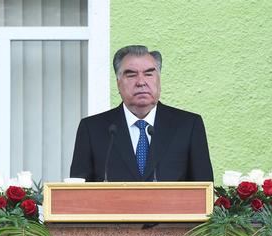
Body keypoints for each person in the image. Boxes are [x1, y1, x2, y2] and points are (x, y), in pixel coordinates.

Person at [69, 45, 213, 182]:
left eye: (149, 74)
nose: (141, 82)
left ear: (159, 80)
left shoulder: (188, 125)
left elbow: (203, 191)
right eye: (131, 75)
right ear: (118, 83)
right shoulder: (92, 129)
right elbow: (78, 192)